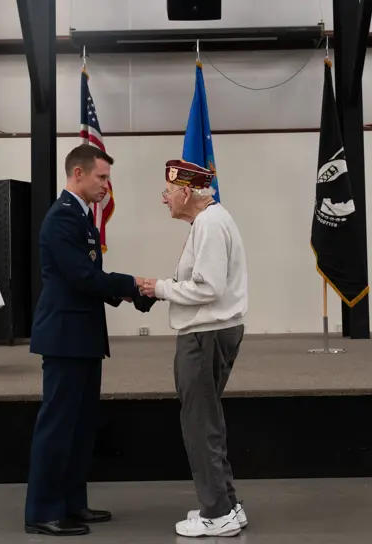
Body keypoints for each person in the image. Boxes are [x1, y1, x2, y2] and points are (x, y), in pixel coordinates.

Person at [25, 144, 145, 537]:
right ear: (78, 174)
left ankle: (72, 504)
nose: (107, 186)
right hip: (64, 337)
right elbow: (81, 277)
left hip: (82, 336)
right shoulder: (62, 219)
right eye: (102, 177)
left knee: (80, 426)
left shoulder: (80, 217)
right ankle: (43, 510)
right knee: (58, 425)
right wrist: (133, 286)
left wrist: (130, 293)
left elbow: (91, 276)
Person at [139, 159, 249, 538]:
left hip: (205, 335)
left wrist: (160, 288)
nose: (163, 198)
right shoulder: (209, 221)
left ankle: (217, 513)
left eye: (168, 191)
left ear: (186, 192)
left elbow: (208, 288)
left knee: (199, 423)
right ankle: (227, 504)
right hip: (212, 331)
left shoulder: (211, 225)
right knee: (208, 418)